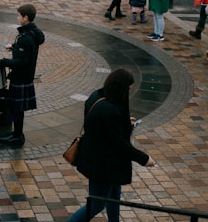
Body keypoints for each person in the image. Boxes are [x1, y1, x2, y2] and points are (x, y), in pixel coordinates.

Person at [67, 68, 156, 222]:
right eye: (128, 89)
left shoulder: (97, 96)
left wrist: (123, 122)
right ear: (121, 88)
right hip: (103, 165)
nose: (128, 93)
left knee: (114, 194)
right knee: (96, 204)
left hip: (100, 159)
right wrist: (144, 158)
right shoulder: (111, 110)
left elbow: (101, 125)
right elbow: (119, 143)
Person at [0, 4, 45, 146]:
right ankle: (16, 133)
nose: (17, 18)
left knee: (17, 108)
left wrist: (3, 62)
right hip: (25, 76)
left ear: (26, 18)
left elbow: (21, 61)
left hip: (21, 76)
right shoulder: (32, 33)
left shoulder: (26, 37)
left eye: (19, 15)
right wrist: (14, 46)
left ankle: (17, 136)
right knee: (17, 108)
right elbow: (26, 52)